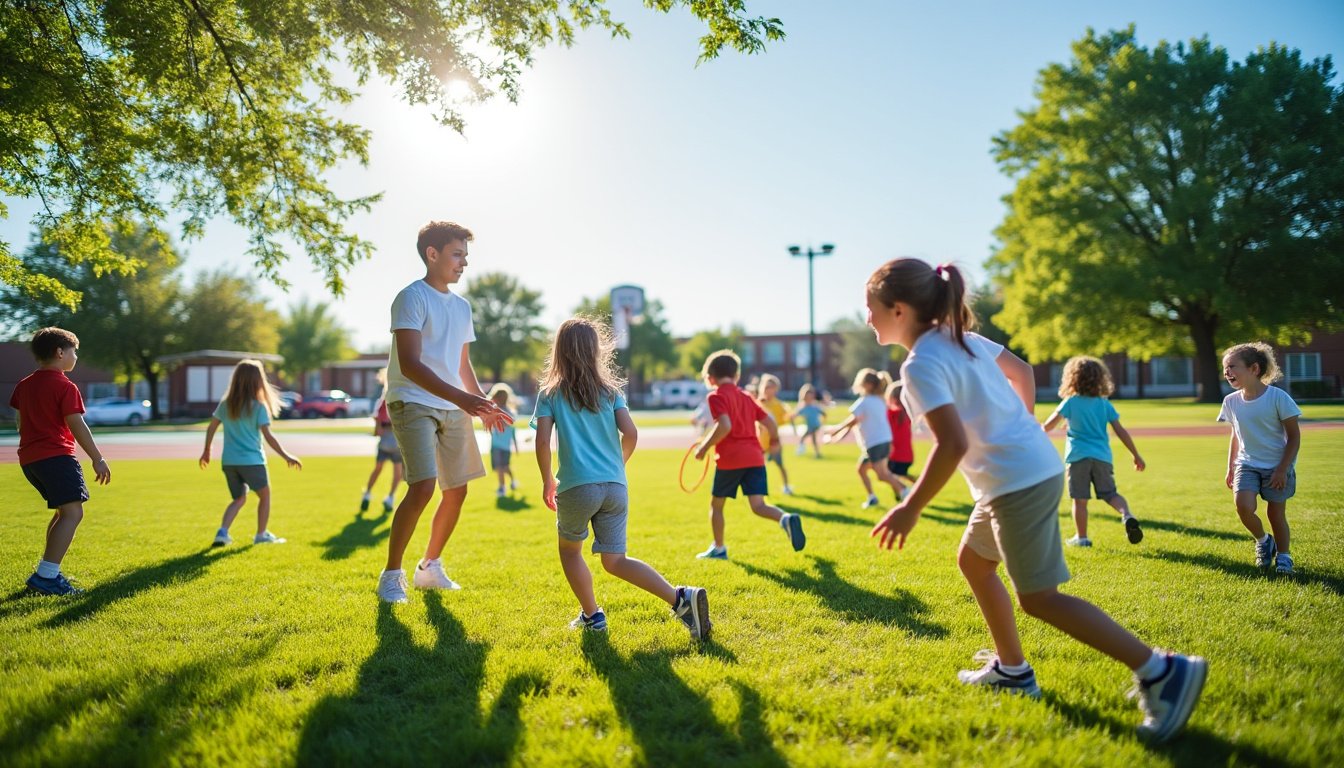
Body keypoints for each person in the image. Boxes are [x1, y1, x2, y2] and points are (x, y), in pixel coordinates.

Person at [866, 258, 1205, 744]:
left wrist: (910, 507)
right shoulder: (961, 339)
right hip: (1022, 473)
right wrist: (1020, 425)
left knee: (1040, 599)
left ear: (897, 309)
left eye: (869, 308)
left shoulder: (920, 364)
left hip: (1016, 483)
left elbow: (952, 444)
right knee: (974, 563)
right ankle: (1013, 671)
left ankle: (1160, 670)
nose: (866, 319)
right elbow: (1022, 371)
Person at [532, 317, 710, 638]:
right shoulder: (610, 390)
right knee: (615, 560)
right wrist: (618, 465)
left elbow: (543, 442)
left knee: (570, 552)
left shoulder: (551, 394)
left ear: (559, 352)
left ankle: (592, 616)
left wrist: (547, 479)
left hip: (576, 487)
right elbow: (630, 433)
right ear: (596, 351)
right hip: (615, 486)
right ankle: (680, 598)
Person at [377, 221, 512, 603]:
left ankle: (429, 567)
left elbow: (462, 364)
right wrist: (463, 399)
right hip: (412, 401)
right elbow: (411, 363)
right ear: (431, 254)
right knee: (422, 487)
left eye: (466, 256)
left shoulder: (463, 306)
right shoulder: (411, 297)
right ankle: (391, 575)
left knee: (457, 490)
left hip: (452, 404)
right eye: (457, 254)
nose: (464, 263)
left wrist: (481, 401)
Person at [9, 327, 110, 595]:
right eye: (74, 351)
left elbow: (19, 421)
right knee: (74, 513)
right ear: (60, 352)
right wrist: (97, 458)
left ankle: (47, 572)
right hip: (56, 457)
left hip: (30, 460)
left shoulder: (24, 384)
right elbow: (77, 424)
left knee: (63, 512)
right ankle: (47, 576)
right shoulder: (65, 385)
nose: (76, 356)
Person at [693, 350, 805, 560]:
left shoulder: (716, 396)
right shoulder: (747, 396)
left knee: (717, 505)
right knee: (759, 505)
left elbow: (724, 425)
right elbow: (770, 423)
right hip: (755, 457)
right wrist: (774, 442)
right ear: (736, 375)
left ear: (710, 378)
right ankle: (785, 519)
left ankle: (719, 548)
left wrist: (704, 447)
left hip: (730, 460)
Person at [1042, 357, 1146, 547]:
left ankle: (1081, 538)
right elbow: (1120, 430)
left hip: (1077, 457)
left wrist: (1035, 428)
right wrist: (1136, 455)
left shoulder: (1070, 403)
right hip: (1102, 457)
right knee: (1110, 494)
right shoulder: (1103, 404)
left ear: (1072, 378)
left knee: (1079, 501)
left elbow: (1047, 427)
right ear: (1100, 379)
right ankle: (1127, 515)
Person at [1218, 342, 1301, 574]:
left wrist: (1282, 469)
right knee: (1243, 506)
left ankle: (1284, 557)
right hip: (1247, 464)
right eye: (1225, 368)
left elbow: (1294, 437)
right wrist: (1230, 467)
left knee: (1276, 514)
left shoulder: (1277, 397)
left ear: (1254, 369)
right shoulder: (1231, 402)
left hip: (1277, 465)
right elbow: (1235, 436)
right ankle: (1264, 541)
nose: (1227, 372)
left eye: (1233, 366)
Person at [200, 359, 302, 546]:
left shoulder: (226, 404)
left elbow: (211, 427)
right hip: (252, 461)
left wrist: (206, 451)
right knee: (265, 496)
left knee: (239, 498)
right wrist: (287, 456)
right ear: (258, 381)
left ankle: (222, 533)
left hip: (229, 461)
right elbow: (268, 436)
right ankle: (261, 535)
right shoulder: (257, 406)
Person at [827, 368, 903, 508]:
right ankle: (873, 497)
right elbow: (853, 424)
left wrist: (835, 431)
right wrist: (837, 437)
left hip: (875, 443)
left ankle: (905, 491)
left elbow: (850, 421)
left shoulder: (864, 402)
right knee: (863, 470)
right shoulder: (879, 401)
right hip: (885, 440)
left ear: (867, 385)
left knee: (882, 475)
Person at [360, 393, 403, 514]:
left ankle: (371, 494)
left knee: (384, 470)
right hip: (392, 441)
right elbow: (378, 420)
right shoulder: (388, 400)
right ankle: (385, 497)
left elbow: (378, 421)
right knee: (394, 472)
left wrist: (378, 427)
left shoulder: (387, 400)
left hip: (390, 441)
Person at [755, 373, 794, 495]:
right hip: (759, 441)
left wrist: (790, 417)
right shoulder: (758, 402)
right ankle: (760, 490)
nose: (769, 390)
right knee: (758, 467)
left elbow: (785, 417)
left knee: (780, 464)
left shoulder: (778, 405)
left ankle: (786, 486)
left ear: (776, 389)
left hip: (774, 441)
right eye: (767, 387)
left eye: (772, 387)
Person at [488, 382, 522, 497]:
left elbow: (512, 430)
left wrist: (516, 446)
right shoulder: (493, 410)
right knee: (499, 468)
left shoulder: (509, 412)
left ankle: (511, 481)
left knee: (504, 467)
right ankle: (502, 487)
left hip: (505, 446)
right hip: (496, 445)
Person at [885, 380, 915, 498]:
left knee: (889, 474)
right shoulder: (908, 414)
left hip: (895, 454)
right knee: (898, 474)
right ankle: (899, 494)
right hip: (907, 454)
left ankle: (903, 491)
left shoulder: (891, 413)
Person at [790, 383, 827, 458]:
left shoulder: (815, 405)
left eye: (811, 395)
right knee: (809, 439)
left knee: (809, 438)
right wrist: (792, 420)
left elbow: (823, 414)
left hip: (816, 425)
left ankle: (805, 450)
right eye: (807, 395)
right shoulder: (803, 407)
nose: (809, 397)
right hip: (810, 426)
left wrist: (823, 422)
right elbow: (795, 415)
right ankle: (815, 453)